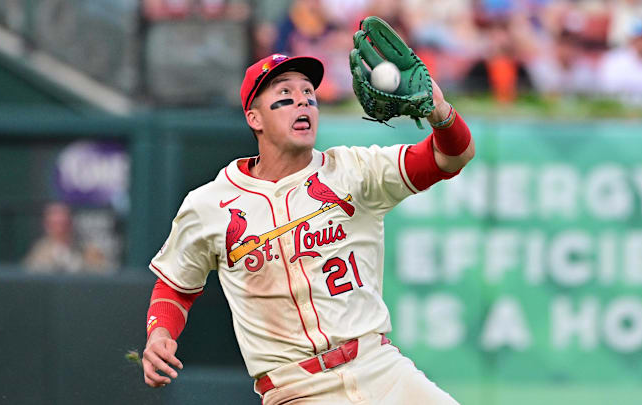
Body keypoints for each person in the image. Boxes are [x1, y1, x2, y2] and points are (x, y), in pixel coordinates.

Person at [141, 52, 474, 404]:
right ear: (254, 118)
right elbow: (176, 286)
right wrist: (159, 333)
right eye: (285, 96)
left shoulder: (355, 171)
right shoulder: (209, 204)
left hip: (380, 369)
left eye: (309, 95)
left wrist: (440, 111)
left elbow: (452, 156)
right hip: (296, 389)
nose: (302, 101)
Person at [24, 202, 108, 274]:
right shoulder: (40, 250)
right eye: (54, 224)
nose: (60, 230)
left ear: (70, 223)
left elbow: (102, 274)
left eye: (63, 224)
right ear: (46, 225)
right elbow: (30, 275)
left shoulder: (88, 249)